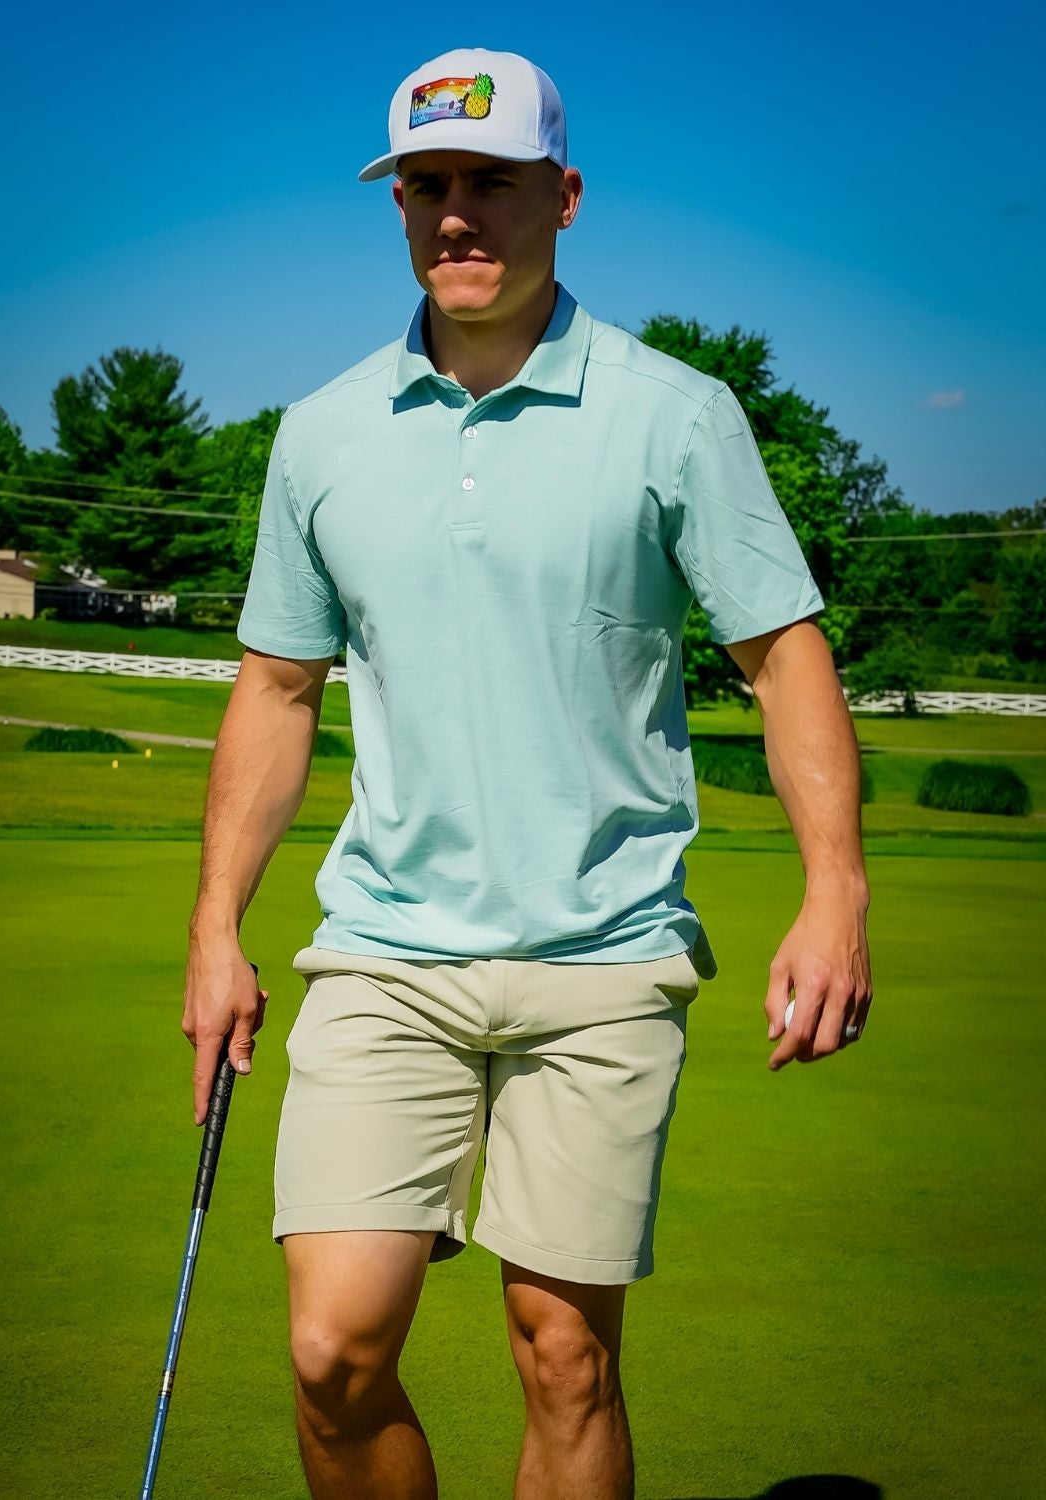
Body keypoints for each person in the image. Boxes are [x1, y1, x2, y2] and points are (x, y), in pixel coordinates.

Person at [183, 46, 873, 1500]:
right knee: (332, 1355)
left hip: (604, 957)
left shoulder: (676, 413)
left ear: (561, 195)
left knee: (563, 1351)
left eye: (489, 181)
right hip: (385, 954)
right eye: (425, 186)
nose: (455, 215)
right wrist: (214, 931)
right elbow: (276, 685)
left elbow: (785, 652)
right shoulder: (319, 436)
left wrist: (836, 892)